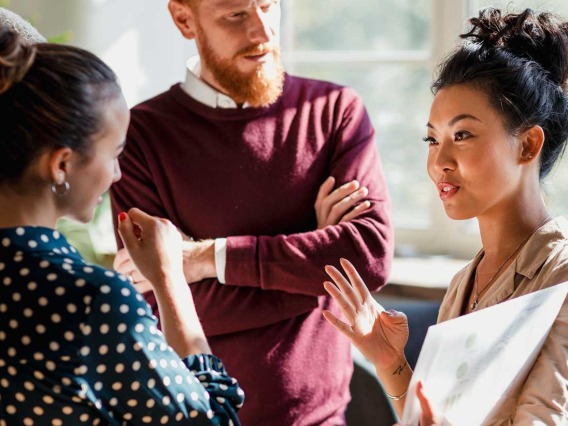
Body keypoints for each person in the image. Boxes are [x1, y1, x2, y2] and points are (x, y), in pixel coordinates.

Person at [110, 0, 394, 423]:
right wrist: (313, 262)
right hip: (202, 418)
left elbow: (367, 257)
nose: (262, 32)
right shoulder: (139, 137)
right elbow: (158, 303)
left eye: (267, 6)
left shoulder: (335, 110)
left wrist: (204, 259)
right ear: (185, 19)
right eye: (235, 15)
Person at [322, 8, 568, 426]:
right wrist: (391, 363)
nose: (439, 161)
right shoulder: (463, 284)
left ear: (527, 146)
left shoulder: (560, 279)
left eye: (462, 135)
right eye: (432, 139)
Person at [0, 26, 243, 425]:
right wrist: (170, 281)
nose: (116, 175)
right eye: (114, 154)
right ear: (62, 164)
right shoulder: (88, 301)